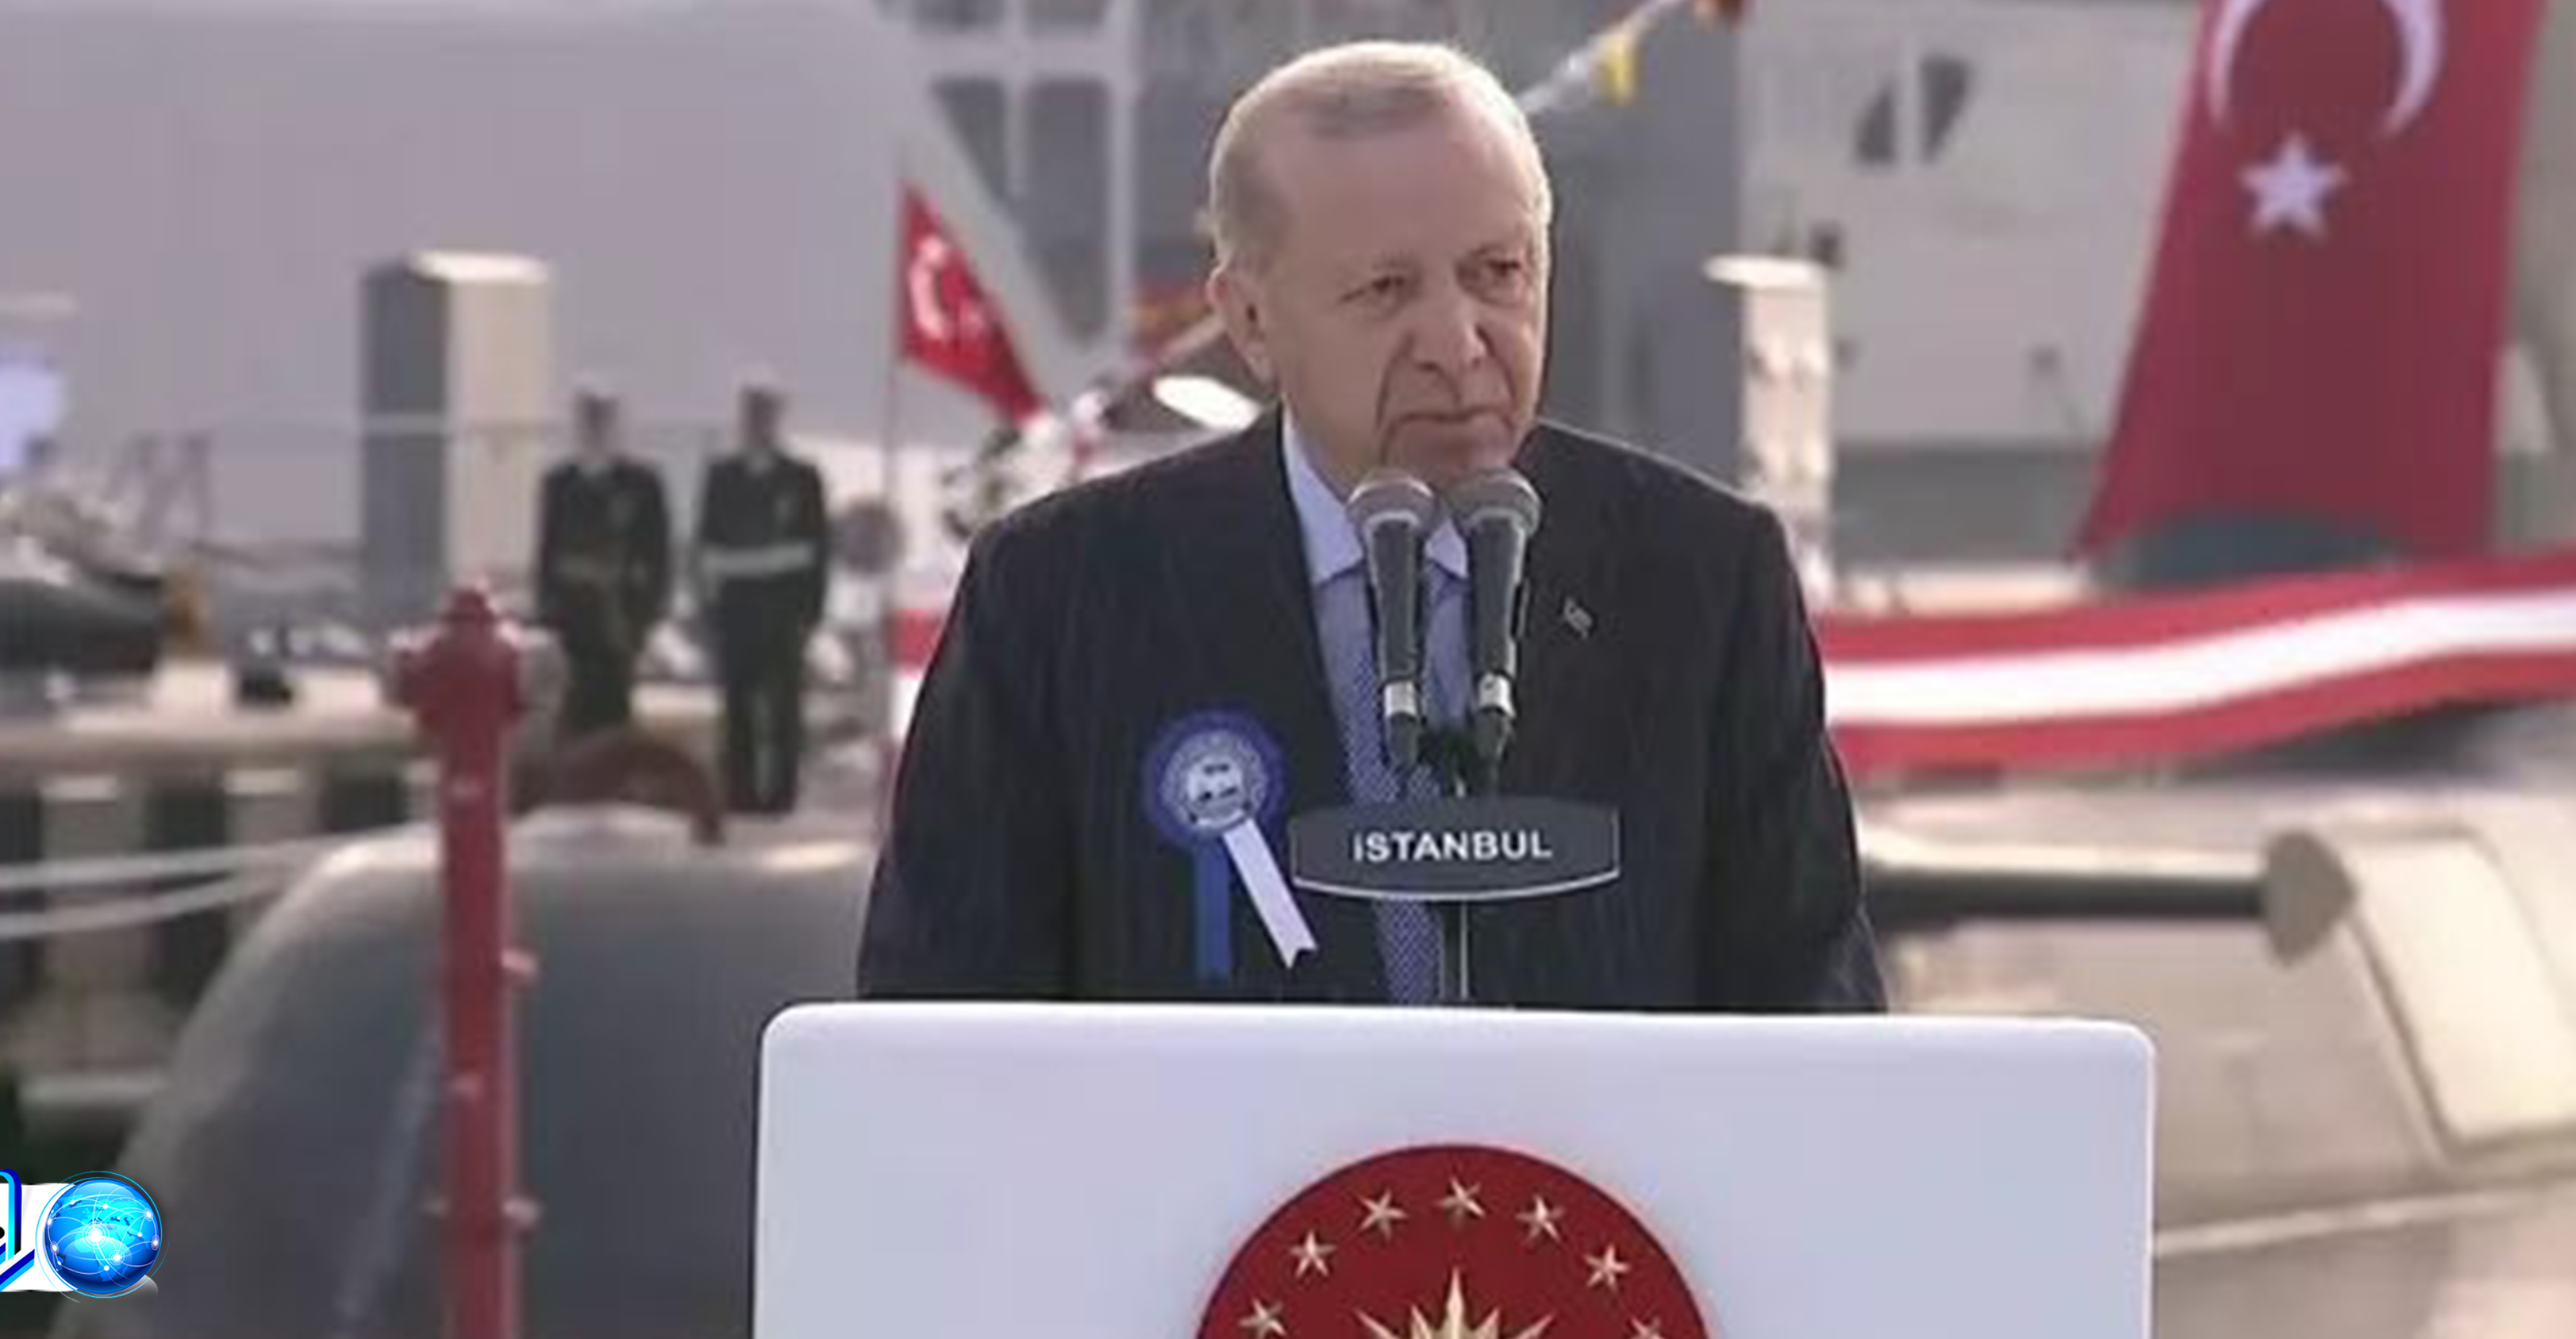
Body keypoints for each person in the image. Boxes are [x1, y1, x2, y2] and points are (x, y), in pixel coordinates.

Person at [859, 40, 1884, 1010]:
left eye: (1498, 273)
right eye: (1386, 289)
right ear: (1250, 319)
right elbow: (939, 1029)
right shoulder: (1055, 598)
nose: (1457, 342)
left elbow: (1813, 1021)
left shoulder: (1703, 580)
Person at [694, 379, 829, 814]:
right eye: (752, 412)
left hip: (783, 613)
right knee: (738, 706)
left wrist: (812, 611)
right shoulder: (723, 477)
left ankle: (781, 795)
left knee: (784, 707)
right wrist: (708, 608)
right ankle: (741, 793)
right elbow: (707, 547)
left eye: (765, 412)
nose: (758, 421)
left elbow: (817, 550)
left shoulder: (801, 478)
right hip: (737, 611)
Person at [534, 383, 675, 741]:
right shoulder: (559, 482)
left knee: (614, 711)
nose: (596, 425)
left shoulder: (642, 483)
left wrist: (649, 612)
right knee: (573, 710)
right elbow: (547, 551)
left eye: (603, 416)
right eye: (589, 416)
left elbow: (658, 553)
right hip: (572, 617)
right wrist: (547, 610)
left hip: (620, 617)